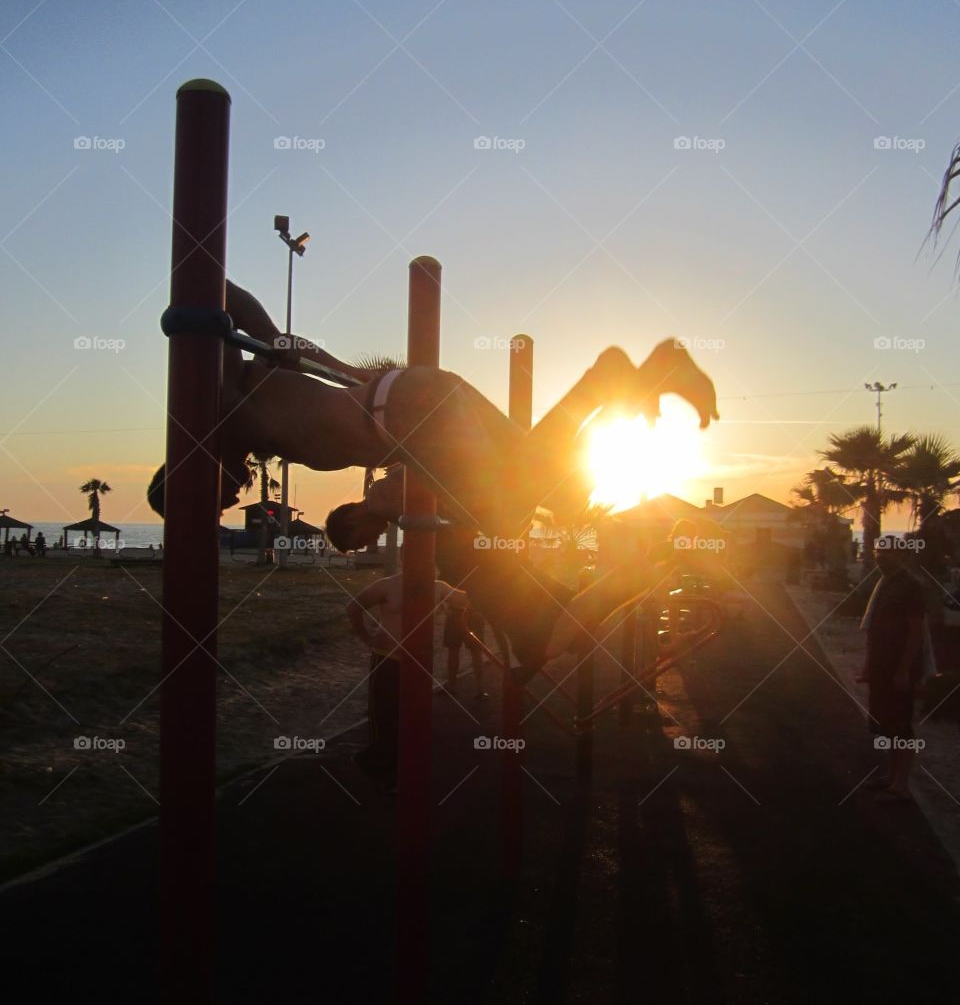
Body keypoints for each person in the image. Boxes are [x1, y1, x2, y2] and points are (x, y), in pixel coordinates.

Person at [147, 279, 718, 674]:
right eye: (214, 508)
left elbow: (221, 289)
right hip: (417, 399)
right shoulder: (252, 429)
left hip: (405, 415)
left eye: (200, 498)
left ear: (182, 468)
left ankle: (529, 627)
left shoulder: (219, 398)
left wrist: (273, 340)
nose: (219, 501)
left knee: (516, 499)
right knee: (550, 484)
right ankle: (617, 375)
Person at [346, 571, 468, 789]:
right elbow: (353, 607)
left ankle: (400, 773)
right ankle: (379, 766)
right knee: (385, 717)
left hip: (419, 664)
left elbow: (469, 599)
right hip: (388, 659)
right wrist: (367, 638)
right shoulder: (387, 585)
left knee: (413, 718)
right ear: (404, 557)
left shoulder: (438, 586)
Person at [857, 537, 935, 802]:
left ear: (899, 555)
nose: (880, 557)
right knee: (884, 723)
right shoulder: (885, 583)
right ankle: (890, 776)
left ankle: (901, 785)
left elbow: (916, 632)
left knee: (901, 724)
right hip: (881, 665)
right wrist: (868, 665)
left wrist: (903, 670)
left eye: (886, 553)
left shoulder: (910, 586)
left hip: (900, 667)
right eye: (878, 551)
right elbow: (873, 627)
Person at [439, 602, 487, 701]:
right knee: (476, 652)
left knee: (453, 651)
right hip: (474, 613)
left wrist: (445, 608)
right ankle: (480, 689)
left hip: (454, 613)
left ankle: (452, 685)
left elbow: (442, 594)